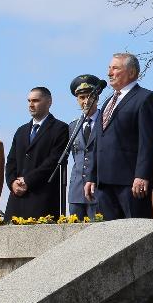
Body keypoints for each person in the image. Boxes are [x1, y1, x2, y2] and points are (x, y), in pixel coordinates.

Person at [84, 53, 153, 220]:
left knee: (136, 230)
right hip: (104, 183)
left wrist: (142, 175)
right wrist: (92, 176)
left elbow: (148, 142)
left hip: (130, 182)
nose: (109, 73)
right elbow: (98, 142)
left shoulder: (146, 98)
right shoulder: (107, 102)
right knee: (109, 233)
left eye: (115, 68)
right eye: (109, 68)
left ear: (131, 72)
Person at [5, 87, 70, 219]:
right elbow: (11, 161)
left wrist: (28, 180)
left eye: (35, 100)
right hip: (17, 199)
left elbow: (53, 161)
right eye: (29, 101)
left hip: (42, 198)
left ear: (49, 102)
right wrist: (12, 183)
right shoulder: (21, 131)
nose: (31, 104)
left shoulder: (60, 128)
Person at [67, 74, 102, 220]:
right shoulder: (73, 126)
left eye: (89, 96)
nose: (86, 101)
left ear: (97, 98)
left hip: (98, 188)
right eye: (82, 98)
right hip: (77, 190)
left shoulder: (105, 122)